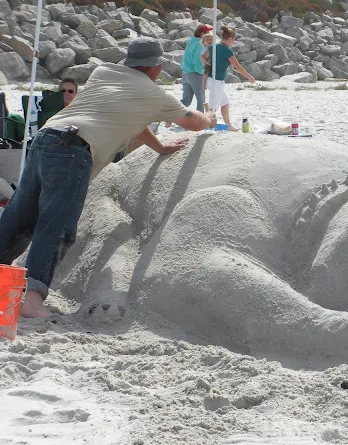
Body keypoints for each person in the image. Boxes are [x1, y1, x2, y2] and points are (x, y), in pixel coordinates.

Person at [0, 37, 217, 318]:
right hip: (75, 150)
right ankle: (32, 299)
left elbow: (126, 117)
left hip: (46, 137)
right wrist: (210, 118)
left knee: (20, 216)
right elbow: (193, 121)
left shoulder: (103, 72)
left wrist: (160, 147)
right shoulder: (153, 93)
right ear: (157, 67)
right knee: (57, 224)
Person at [201, 26, 255, 131]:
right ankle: (205, 125)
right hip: (217, 81)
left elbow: (203, 56)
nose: (233, 42)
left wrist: (207, 62)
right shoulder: (227, 51)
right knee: (213, 108)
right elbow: (238, 67)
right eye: (233, 40)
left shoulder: (213, 47)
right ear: (229, 38)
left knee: (225, 102)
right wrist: (249, 77)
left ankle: (229, 125)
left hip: (211, 80)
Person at [180, 23, 213, 113]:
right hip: (195, 73)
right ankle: (201, 120)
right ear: (202, 34)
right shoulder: (200, 43)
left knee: (186, 101)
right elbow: (198, 62)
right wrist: (203, 76)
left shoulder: (191, 41)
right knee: (201, 100)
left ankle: (169, 113)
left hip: (185, 72)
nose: (210, 34)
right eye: (208, 32)